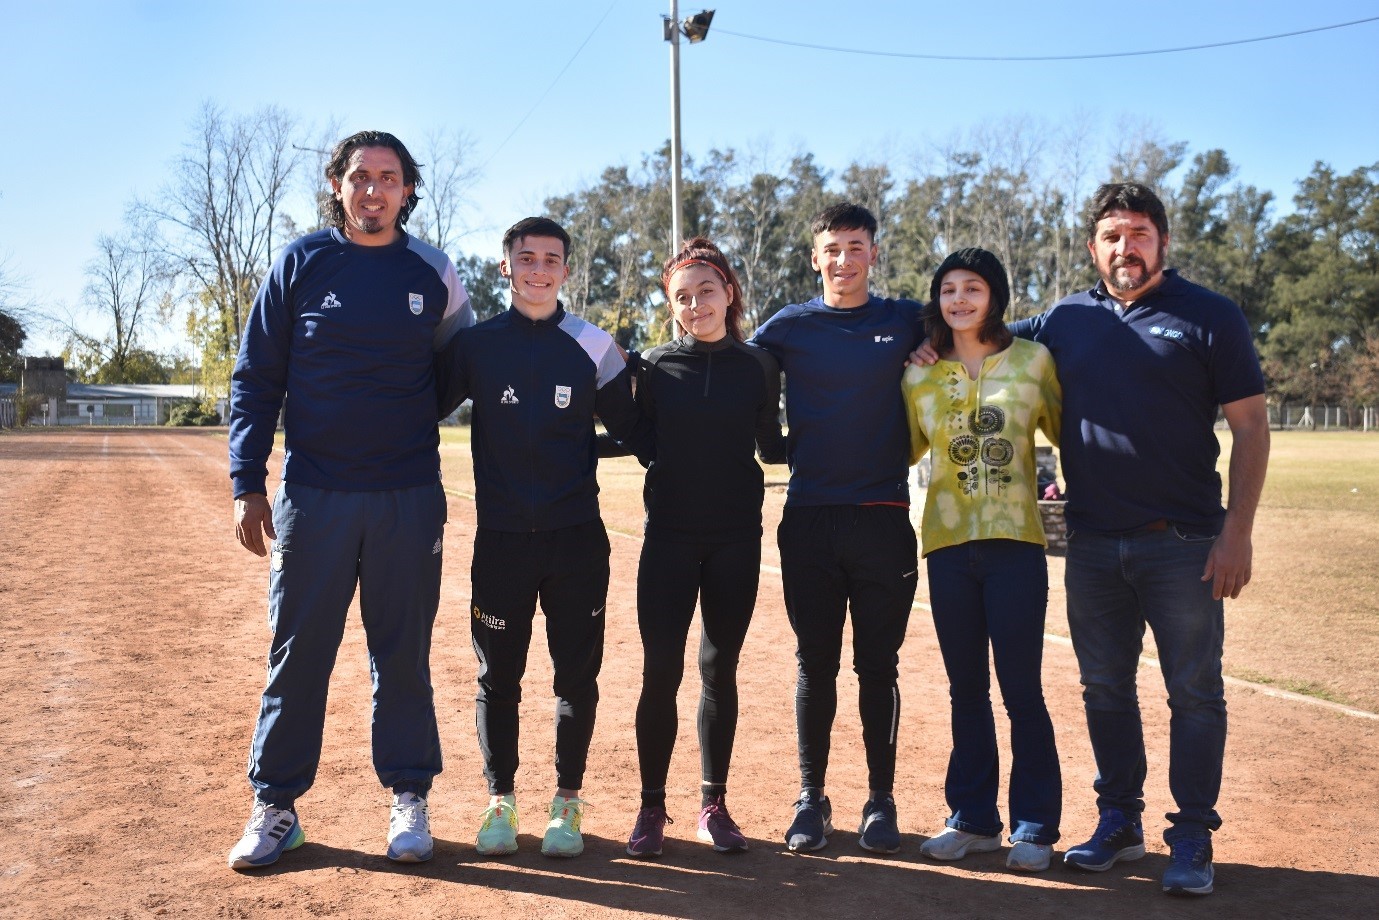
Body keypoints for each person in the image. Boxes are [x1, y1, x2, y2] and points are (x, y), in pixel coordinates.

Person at [915, 182, 1269, 896]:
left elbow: (1251, 426)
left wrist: (1237, 531)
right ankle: (1119, 821)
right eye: (1111, 235)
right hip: (1092, 543)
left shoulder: (1208, 316)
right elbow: (987, 331)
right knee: (1104, 688)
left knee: (1193, 691)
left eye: (1138, 233)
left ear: (1161, 241)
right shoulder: (1066, 319)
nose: (1124, 247)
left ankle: (1192, 833)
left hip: (1183, 540)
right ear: (1092, 247)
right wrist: (928, 343)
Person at [226, 130, 473, 869]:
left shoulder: (433, 271)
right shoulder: (301, 262)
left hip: (406, 496)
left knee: (402, 655)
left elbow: (457, 368)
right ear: (337, 185)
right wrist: (246, 481)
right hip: (313, 494)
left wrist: (397, 414)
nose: (374, 190)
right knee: (298, 653)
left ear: (407, 189)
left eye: (389, 178)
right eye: (360, 177)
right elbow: (255, 377)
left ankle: (408, 797)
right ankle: (275, 808)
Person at [435, 216, 641, 859]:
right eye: (526, 258)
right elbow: (416, 408)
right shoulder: (476, 346)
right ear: (507, 268)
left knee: (575, 678)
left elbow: (641, 432)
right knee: (499, 677)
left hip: (576, 540)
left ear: (566, 270)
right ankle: (500, 800)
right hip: (500, 541)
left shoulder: (593, 345)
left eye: (552, 259)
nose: (539, 269)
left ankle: (566, 804)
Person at [749, 203, 923, 854]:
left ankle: (880, 800)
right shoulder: (789, 326)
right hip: (810, 519)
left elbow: (975, 326)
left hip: (883, 518)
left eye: (856, 247)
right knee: (813, 665)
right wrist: (773, 443)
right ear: (814, 257)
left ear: (874, 253)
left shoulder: (905, 319)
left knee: (877, 667)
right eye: (832, 248)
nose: (843, 260)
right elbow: (742, 371)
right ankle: (809, 798)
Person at [606, 238, 787, 858]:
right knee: (661, 673)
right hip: (670, 541)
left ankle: (714, 804)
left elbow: (771, 445)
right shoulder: (654, 367)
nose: (695, 304)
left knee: (719, 670)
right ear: (671, 305)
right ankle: (651, 807)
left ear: (729, 291)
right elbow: (645, 442)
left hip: (737, 540)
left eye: (706, 290)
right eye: (682, 297)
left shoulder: (759, 365)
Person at [901, 248, 1063, 872]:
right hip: (946, 547)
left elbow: (1071, 434)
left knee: (1022, 688)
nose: (960, 299)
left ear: (995, 295)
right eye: (948, 289)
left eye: (973, 288)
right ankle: (973, 820)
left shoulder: (1032, 361)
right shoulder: (918, 373)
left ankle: (1035, 826)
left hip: (1016, 545)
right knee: (966, 688)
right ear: (936, 300)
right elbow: (906, 449)